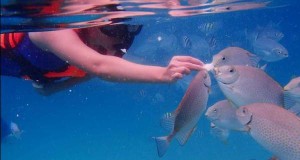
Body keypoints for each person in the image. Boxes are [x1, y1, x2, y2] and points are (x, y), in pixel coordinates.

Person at [1, 24, 204, 95]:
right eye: (113, 29)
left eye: (125, 35)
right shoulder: (52, 31)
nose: (119, 41)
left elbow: (88, 72)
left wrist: (51, 89)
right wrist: (162, 74)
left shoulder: (108, 47)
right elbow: (97, 66)